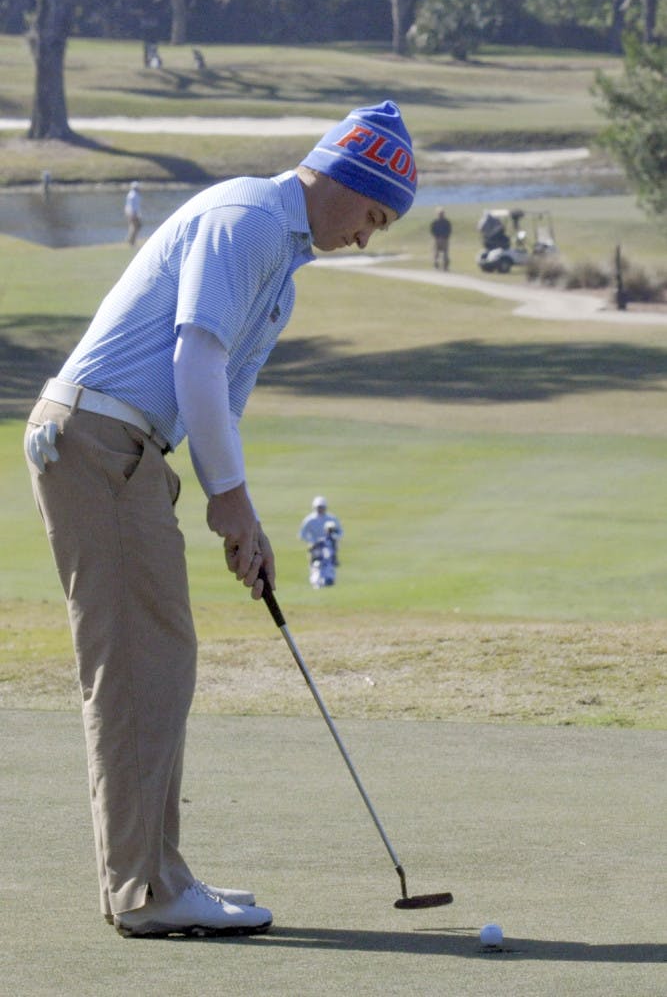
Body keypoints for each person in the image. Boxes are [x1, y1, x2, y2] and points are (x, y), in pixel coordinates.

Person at [23, 100, 416, 939]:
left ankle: (160, 875)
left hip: (128, 452)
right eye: (373, 215)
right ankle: (145, 892)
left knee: (159, 662)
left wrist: (243, 516)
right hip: (100, 441)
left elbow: (217, 403)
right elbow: (192, 354)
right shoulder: (246, 219)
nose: (365, 238)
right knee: (138, 667)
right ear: (345, 178)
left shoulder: (279, 263)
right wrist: (226, 497)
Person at [299, 495, 343, 566]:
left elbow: (340, 532)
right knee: (315, 566)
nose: (320, 509)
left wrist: (333, 539)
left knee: (329, 565)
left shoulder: (331, 519)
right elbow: (302, 534)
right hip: (315, 546)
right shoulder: (309, 520)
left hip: (329, 546)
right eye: (318, 507)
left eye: (322, 507)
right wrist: (312, 541)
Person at [124, 181, 142, 246]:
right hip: (132, 213)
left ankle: (131, 240)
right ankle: (131, 241)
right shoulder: (133, 195)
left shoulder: (134, 194)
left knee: (135, 226)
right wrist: (134, 214)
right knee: (135, 227)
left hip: (133, 213)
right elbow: (131, 206)